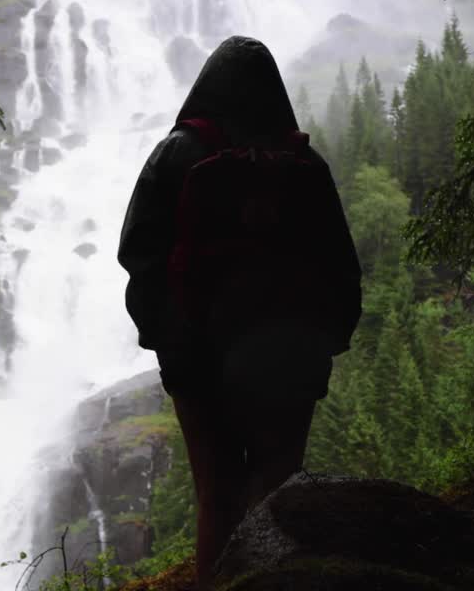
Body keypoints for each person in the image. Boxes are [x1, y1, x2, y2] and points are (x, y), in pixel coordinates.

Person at [117, 36, 362, 588]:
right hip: (291, 355)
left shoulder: (175, 153)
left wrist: (170, 345)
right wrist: (323, 344)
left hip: (199, 358)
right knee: (277, 486)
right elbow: (340, 264)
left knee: (217, 494)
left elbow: (138, 254)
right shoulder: (303, 161)